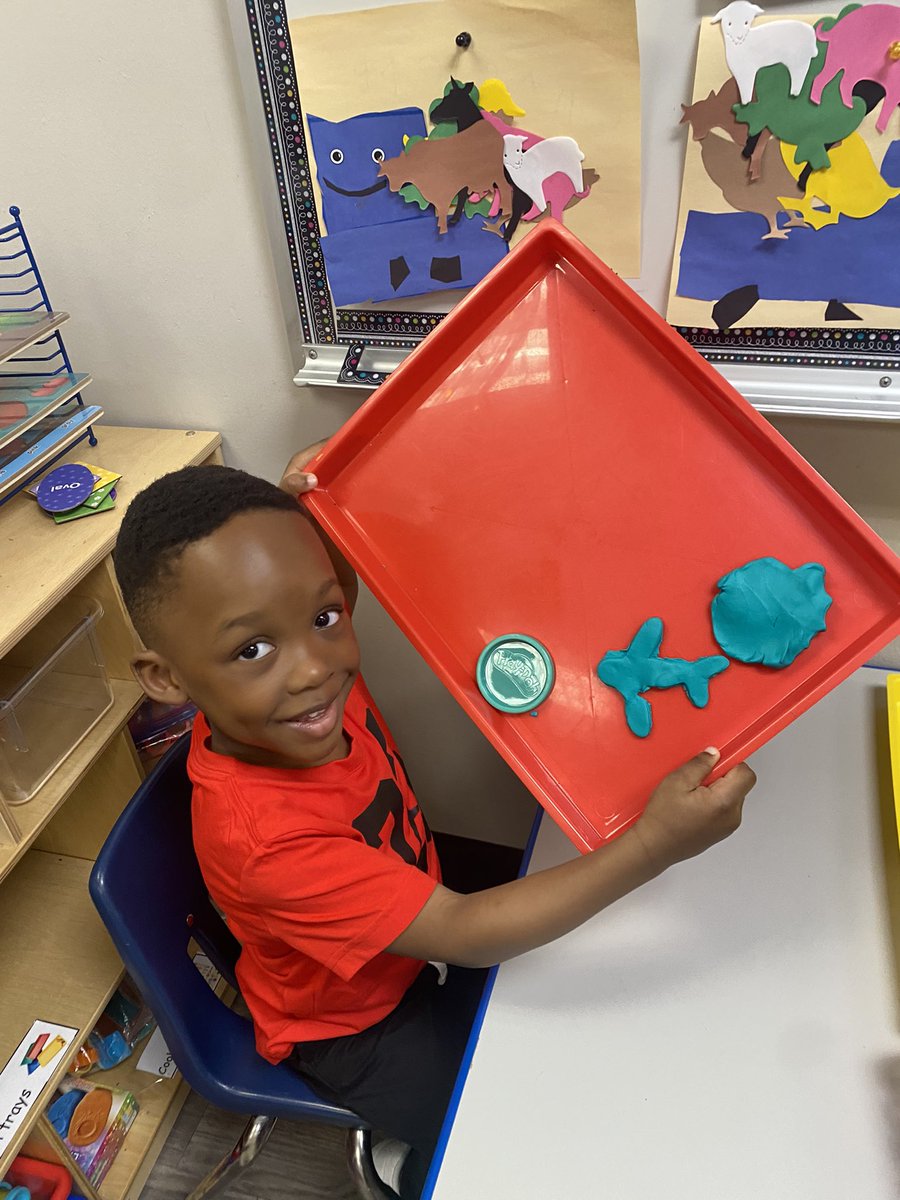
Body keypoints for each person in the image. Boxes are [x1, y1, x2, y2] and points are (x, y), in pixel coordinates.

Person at [113, 445, 756, 1199]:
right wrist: (652, 846)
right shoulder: (268, 839)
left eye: (324, 617)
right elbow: (464, 931)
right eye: (253, 648)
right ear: (166, 678)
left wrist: (318, 512)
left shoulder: (288, 700)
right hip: (356, 1027)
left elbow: (326, 583)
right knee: (516, 1129)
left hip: (410, 944)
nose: (315, 665)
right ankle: (406, 1167)